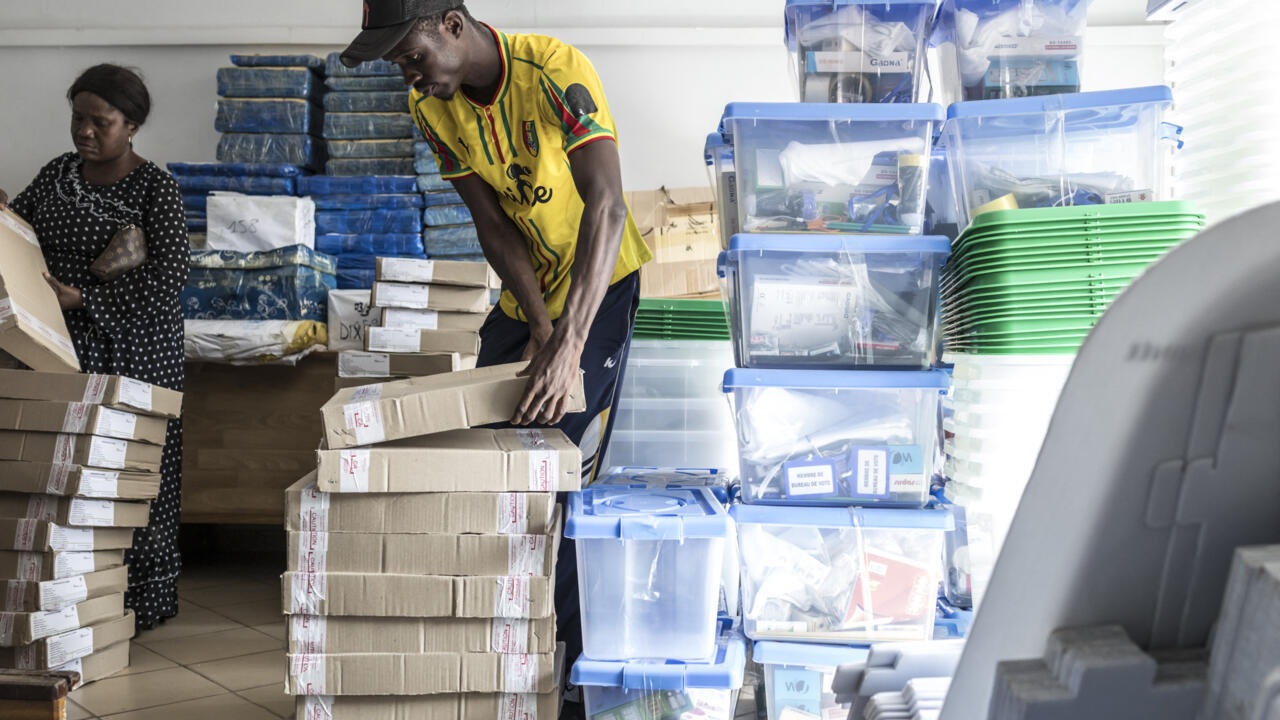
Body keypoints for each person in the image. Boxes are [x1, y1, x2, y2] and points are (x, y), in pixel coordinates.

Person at [341, 0, 652, 710]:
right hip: (526, 296)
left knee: (555, 465)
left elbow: (606, 206)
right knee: (484, 454)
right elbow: (491, 225)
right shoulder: (432, 106)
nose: (407, 72)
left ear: (452, 24)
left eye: (410, 53)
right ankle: (495, 651)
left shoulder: (555, 71)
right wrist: (538, 327)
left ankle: (567, 673)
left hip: (599, 286)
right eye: (396, 62)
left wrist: (569, 342)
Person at [0, 64, 189, 631]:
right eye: (77, 118)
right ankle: (73, 605)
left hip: (134, 351)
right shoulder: (58, 174)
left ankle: (139, 601)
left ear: (131, 125)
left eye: (99, 121)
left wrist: (87, 299)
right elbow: (21, 231)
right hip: (62, 349)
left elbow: (171, 275)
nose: (84, 131)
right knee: (67, 471)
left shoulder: (155, 188)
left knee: (130, 473)